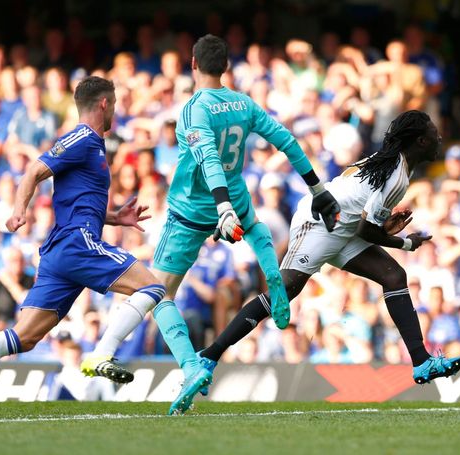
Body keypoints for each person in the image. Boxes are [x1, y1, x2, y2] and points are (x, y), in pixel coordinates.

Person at [107, 34, 339, 415]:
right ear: (226, 67)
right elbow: (286, 140)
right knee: (258, 230)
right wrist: (317, 189)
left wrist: (222, 208)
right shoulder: (243, 103)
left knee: (156, 291)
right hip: (238, 195)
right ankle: (273, 276)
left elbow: (209, 159)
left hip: (193, 209)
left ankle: (191, 364)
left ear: (194, 65)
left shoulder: (194, 109)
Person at [196, 110, 460, 396]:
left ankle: (421, 362)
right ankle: (209, 356)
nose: (439, 137)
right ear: (421, 141)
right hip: (319, 223)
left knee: (394, 275)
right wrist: (405, 243)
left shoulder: (395, 166)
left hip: (342, 224)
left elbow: (366, 220)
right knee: (284, 293)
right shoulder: (396, 174)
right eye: (435, 133)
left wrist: (386, 228)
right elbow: (365, 229)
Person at [0, 76, 167, 386]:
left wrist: (115, 218)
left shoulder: (93, 145)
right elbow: (34, 171)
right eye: (114, 105)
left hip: (63, 249)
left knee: (24, 337)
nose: (115, 112)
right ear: (104, 104)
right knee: (152, 287)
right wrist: (18, 211)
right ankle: (102, 353)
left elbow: (78, 201)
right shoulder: (81, 138)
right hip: (76, 243)